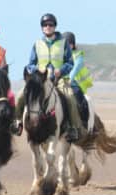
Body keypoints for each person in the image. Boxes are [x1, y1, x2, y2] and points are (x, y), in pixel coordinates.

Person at [18, 13, 82, 143]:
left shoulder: (63, 43)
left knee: (69, 97)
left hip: (58, 80)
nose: (48, 27)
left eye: (50, 25)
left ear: (54, 27)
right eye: (45, 25)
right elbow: (30, 64)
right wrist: (36, 70)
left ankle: (73, 128)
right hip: (40, 81)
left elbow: (70, 63)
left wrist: (61, 70)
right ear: (42, 28)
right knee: (20, 94)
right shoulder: (37, 44)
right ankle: (17, 122)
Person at [63, 31, 93, 134]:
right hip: (60, 82)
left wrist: (69, 80)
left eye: (69, 44)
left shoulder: (78, 55)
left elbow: (75, 69)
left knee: (82, 102)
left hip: (75, 84)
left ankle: (84, 124)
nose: (67, 47)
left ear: (73, 44)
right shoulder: (60, 57)